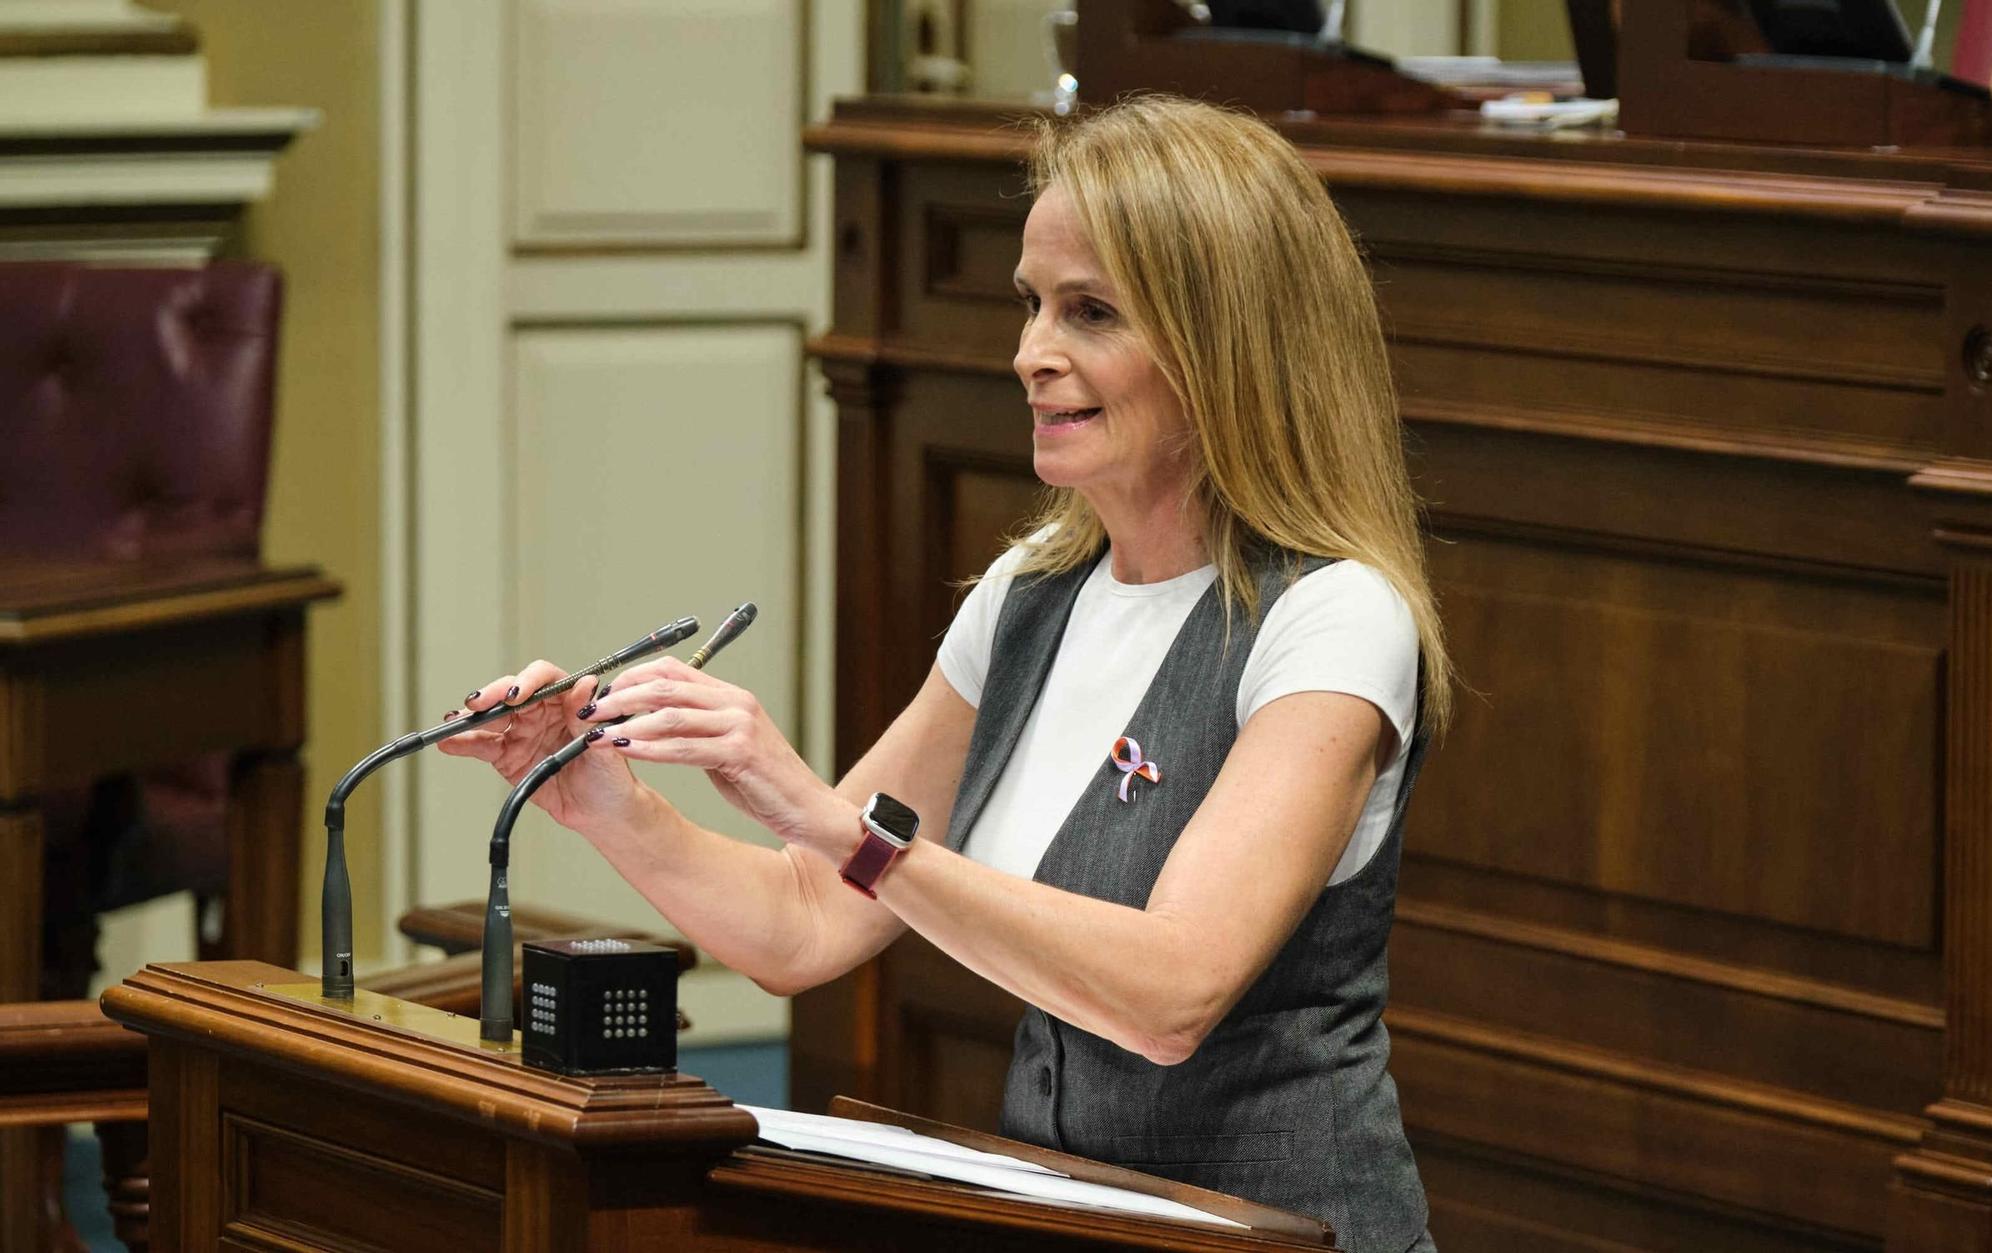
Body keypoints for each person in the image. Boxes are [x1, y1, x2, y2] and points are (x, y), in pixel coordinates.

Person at [442, 94, 1452, 1253]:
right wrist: (602, 802)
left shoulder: (1333, 617)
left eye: (1090, 312)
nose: (1031, 353)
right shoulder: (1028, 595)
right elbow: (806, 927)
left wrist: (841, 826)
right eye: (1030, 304)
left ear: (1225, 342)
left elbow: (1172, 994)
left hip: (1291, 1231)